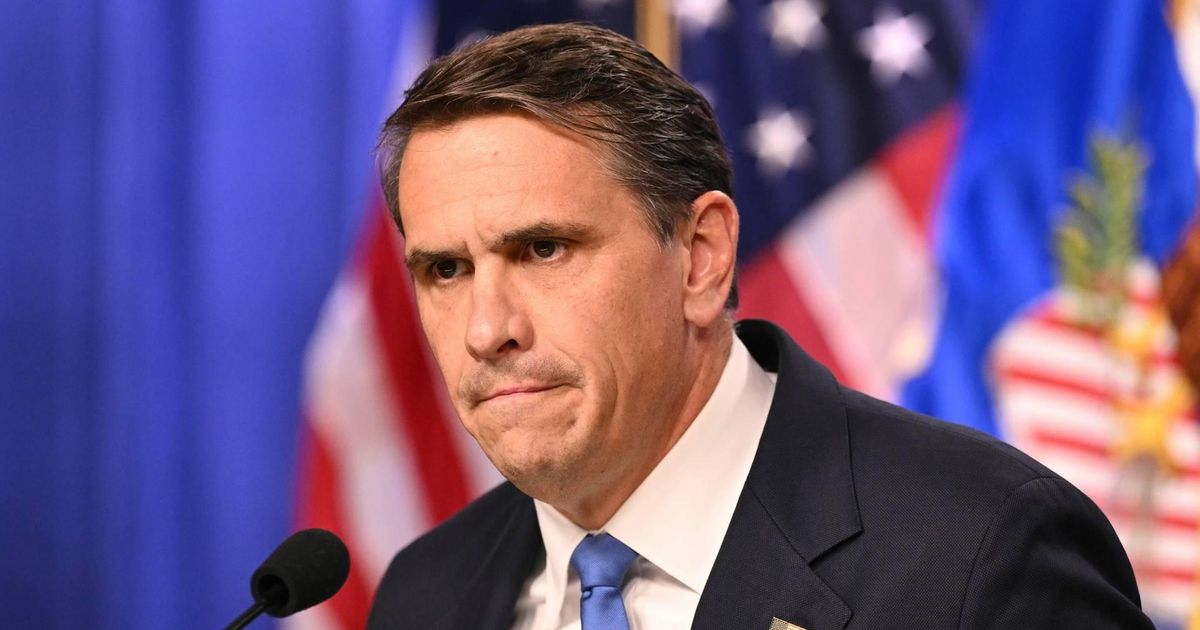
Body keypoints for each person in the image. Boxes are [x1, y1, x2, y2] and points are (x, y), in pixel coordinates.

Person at [366, 22, 1151, 630]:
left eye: (544, 249)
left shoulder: (980, 552)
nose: (486, 330)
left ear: (701, 258)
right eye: (446, 270)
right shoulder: (426, 594)